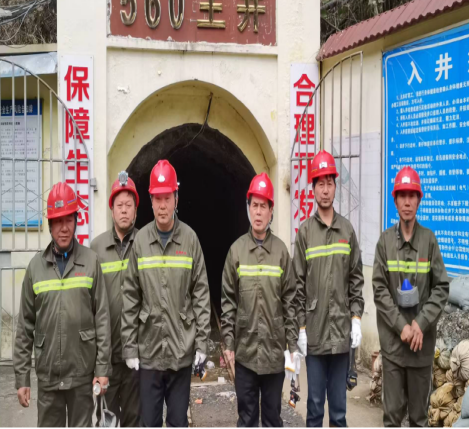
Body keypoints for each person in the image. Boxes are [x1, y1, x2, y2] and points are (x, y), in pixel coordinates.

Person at [121, 159, 211, 427]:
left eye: (167, 198)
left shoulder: (190, 240)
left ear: (176, 199)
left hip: (180, 352)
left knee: (177, 421)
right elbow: (130, 297)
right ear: (150, 201)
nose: (162, 205)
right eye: (157, 198)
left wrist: (202, 344)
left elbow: (201, 295)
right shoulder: (140, 242)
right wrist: (130, 347)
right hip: (148, 352)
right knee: (149, 422)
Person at [14, 182, 111, 427]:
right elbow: (25, 326)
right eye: (58, 221)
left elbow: (102, 319)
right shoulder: (35, 268)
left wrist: (102, 369)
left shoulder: (90, 262)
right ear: (50, 225)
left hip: (81, 375)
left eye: (69, 220)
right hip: (48, 376)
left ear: (76, 221)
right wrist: (22, 378)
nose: (64, 228)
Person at [221, 172, 301, 427]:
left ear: (270, 211)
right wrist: (229, 343)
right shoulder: (236, 251)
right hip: (245, 353)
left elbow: (290, 301)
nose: (258, 212)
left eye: (263, 206)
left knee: (272, 418)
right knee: (246, 418)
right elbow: (228, 302)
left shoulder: (281, 252)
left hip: (274, 354)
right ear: (248, 208)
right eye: (254, 205)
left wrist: (293, 347)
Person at [372, 166, 449, 427]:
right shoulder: (384, 243)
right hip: (394, 347)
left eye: (412, 195)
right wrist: (401, 326)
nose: (407, 202)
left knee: (418, 419)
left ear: (419, 200)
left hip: (420, 347)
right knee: (392, 418)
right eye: (402, 195)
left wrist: (419, 323)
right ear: (395, 201)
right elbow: (379, 289)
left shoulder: (429, 240)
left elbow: (441, 287)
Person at [293, 150, 365, 428]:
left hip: (340, 336)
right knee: (314, 408)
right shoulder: (305, 233)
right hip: (314, 335)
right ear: (313, 189)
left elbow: (355, 279)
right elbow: (297, 286)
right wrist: (300, 328)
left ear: (335, 187)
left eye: (329, 183)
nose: (325, 190)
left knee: (338, 411)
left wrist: (355, 318)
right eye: (320, 184)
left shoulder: (347, 231)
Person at [90, 171, 141, 426]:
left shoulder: (145, 243)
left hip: (136, 355)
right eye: (119, 205)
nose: (123, 210)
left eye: (128, 205)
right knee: (107, 421)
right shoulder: (96, 249)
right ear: (111, 210)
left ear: (135, 211)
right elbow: (90, 303)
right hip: (106, 357)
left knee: (135, 418)